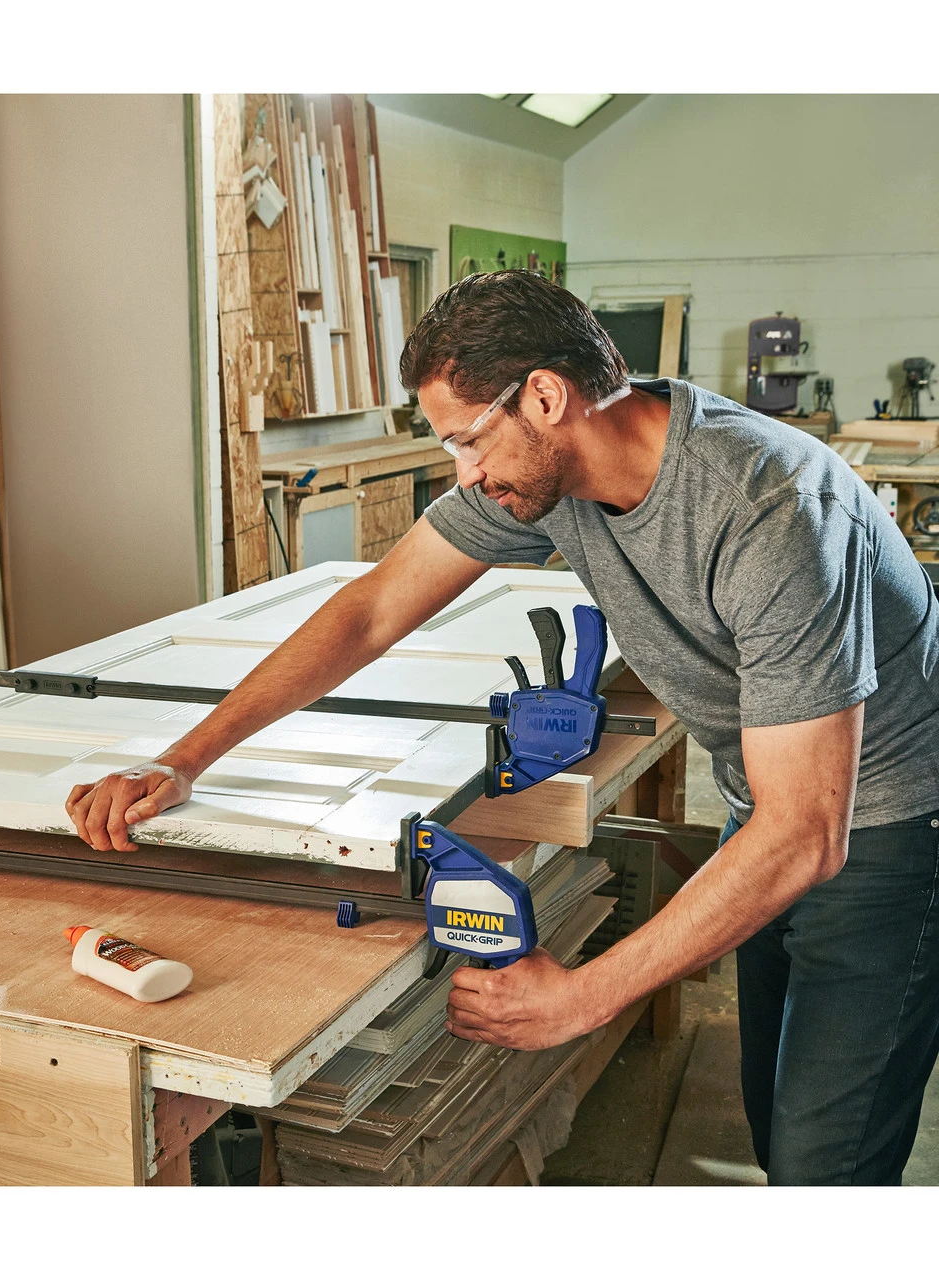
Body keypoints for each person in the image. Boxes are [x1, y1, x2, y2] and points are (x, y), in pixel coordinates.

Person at [66, 270, 939, 1185]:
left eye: (467, 439)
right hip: (763, 799)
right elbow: (371, 610)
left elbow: (806, 834)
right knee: (773, 1114)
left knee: (826, 1166)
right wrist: (184, 759)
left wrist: (582, 998)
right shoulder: (553, 471)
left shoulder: (770, 509)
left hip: (892, 824)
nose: (466, 473)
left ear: (547, 397)